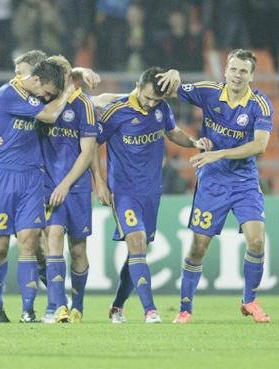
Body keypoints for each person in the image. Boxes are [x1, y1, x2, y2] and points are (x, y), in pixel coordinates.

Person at [157, 49, 273, 324]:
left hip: (244, 181)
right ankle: (185, 308)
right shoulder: (209, 92)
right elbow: (171, 89)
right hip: (213, 182)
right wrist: (173, 73)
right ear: (225, 70)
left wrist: (218, 153)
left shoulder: (260, 104)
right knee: (198, 246)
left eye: (243, 71)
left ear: (252, 75)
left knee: (256, 241)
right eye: (233, 69)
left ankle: (250, 301)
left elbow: (260, 145)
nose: (237, 75)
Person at [93, 67, 211, 324]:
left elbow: (172, 131)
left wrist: (193, 142)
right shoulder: (116, 111)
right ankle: (150, 310)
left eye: (155, 100)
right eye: (146, 97)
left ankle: (117, 307)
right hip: (123, 191)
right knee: (136, 242)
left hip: (151, 192)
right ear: (137, 85)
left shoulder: (161, 108)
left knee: (138, 250)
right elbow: (92, 143)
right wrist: (99, 183)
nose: (149, 104)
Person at [0, 55, 98, 323]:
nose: (47, 95)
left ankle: (55, 308)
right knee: (18, 244)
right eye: (48, 91)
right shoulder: (27, 96)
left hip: (53, 182)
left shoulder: (74, 102)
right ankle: (21, 306)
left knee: (56, 246)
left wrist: (80, 73)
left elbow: (100, 111)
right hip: (23, 179)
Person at [0, 60, 72, 323]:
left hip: (32, 177)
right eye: (48, 92)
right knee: (0, 246)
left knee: (29, 241)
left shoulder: (35, 96)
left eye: (52, 95)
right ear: (37, 80)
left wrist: (75, 76)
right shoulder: (9, 92)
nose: (48, 98)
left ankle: (28, 311)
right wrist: (67, 91)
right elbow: (50, 115)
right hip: (3, 177)